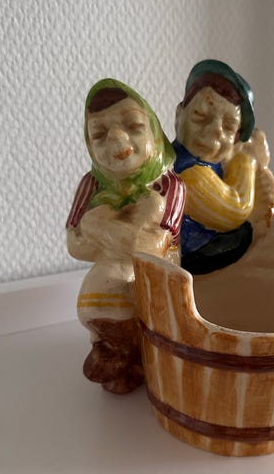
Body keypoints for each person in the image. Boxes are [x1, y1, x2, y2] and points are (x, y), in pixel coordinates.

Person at [66, 78, 185, 394]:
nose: (117, 140)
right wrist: (123, 235)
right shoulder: (91, 185)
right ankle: (115, 353)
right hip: (108, 282)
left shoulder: (169, 185)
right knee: (104, 300)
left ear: (154, 134)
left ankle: (136, 360)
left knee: (149, 323)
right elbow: (75, 244)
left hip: (156, 278)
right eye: (99, 134)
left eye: (133, 126)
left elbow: (151, 247)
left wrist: (97, 226)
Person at [173, 60, 274, 274]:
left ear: (236, 138)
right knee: (245, 233)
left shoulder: (208, 163)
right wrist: (247, 160)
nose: (214, 132)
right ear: (179, 115)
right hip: (192, 255)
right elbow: (236, 209)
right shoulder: (188, 173)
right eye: (200, 116)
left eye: (229, 127)